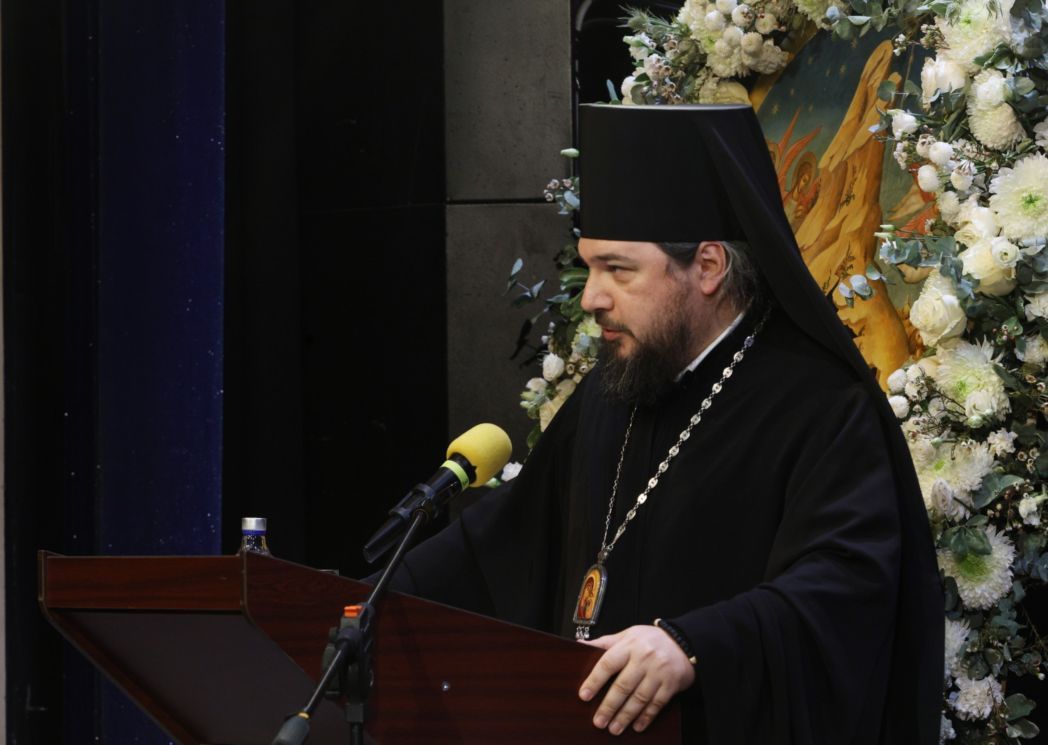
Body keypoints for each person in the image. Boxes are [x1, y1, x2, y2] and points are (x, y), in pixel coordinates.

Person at [378, 104, 943, 744]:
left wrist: (691, 644)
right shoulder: (616, 386)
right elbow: (502, 543)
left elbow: (842, 589)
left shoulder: (821, 405)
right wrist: (360, 605)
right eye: (590, 266)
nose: (591, 297)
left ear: (708, 267)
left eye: (618, 270)